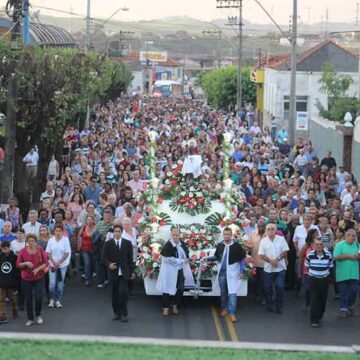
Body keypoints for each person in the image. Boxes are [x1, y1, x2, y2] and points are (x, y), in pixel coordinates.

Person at [209, 227, 246, 322]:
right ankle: (224, 308)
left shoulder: (236, 246)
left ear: (231, 235)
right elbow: (217, 256)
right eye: (225, 234)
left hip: (233, 273)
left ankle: (232, 313)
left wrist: (242, 271)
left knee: (232, 293)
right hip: (222, 273)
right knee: (223, 292)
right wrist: (209, 258)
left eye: (228, 234)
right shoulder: (220, 245)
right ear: (223, 234)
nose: (226, 236)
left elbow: (242, 259)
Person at [156, 227, 194, 316]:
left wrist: (187, 259)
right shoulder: (168, 245)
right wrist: (181, 261)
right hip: (169, 271)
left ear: (179, 235)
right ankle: (165, 308)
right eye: (174, 235)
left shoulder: (182, 244)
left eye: (177, 235)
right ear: (171, 235)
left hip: (179, 269)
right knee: (166, 288)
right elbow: (167, 259)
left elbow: (185, 254)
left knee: (180, 288)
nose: (175, 237)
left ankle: (175, 305)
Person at [102, 224, 133, 322]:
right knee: (114, 294)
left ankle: (124, 313)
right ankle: (116, 313)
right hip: (113, 273)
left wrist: (131, 272)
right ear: (113, 233)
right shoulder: (108, 244)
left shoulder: (127, 243)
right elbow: (103, 258)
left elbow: (130, 259)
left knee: (123, 293)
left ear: (122, 232)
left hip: (124, 272)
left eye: (119, 231)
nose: (117, 233)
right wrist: (109, 264)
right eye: (115, 231)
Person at [16, 234, 49, 326]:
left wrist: (38, 269)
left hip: (38, 277)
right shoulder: (22, 251)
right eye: (29, 241)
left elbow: (46, 263)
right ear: (27, 242)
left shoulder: (40, 250)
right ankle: (30, 318)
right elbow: (18, 264)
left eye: (33, 241)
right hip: (26, 278)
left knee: (39, 296)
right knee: (28, 298)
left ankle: (38, 315)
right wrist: (25, 263)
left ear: (36, 242)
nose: (31, 243)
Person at [258, 224, 289, 314]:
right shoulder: (263, 241)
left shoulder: (281, 239)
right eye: (269, 229)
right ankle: (269, 304)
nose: (271, 231)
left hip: (280, 268)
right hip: (268, 269)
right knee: (268, 288)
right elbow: (261, 255)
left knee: (279, 286)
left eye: (272, 229)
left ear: (276, 230)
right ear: (266, 231)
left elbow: (285, 251)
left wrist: (277, 259)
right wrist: (271, 261)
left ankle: (279, 305)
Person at [305, 238, 333, 328]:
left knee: (323, 299)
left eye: (321, 244)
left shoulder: (328, 255)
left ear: (323, 245)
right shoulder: (310, 255)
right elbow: (307, 266)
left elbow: (330, 266)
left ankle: (319, 316)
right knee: (314, 299)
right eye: (317, 244)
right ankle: (314, 320)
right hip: (313, 279)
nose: (319, 246)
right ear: (314, 245)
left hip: (324, 280)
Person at [333, 229, 360, 317]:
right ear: (347, 236)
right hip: (342, 273)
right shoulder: (340, 245)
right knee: (343, 291)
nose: (354, 238)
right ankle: (344, 309)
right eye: (353, 236)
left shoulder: (357, 244)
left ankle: (350, 306)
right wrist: (349, 256)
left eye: (355, 236)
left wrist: (357, 257)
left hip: (354, 273)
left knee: (354, 290)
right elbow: (336, 256)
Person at [46, 224, 71, 309]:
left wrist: (59, 263)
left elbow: (66, 253)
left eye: (59, 231)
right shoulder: (51, 240)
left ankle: (58, 300)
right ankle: (52, 299)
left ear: (62, 232)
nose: (58, 232)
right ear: (54, 231)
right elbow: (48, 253)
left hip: (62, 265)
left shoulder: (65, 240)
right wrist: (54, 262)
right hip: (52, 264)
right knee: (52, 285)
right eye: (56, 231)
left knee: (60, 284)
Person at [0, 241, 18, 323]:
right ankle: (2, 315)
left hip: (11, 282)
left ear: (9, 247)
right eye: (3, 248)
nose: (4, 250)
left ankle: (14, 310)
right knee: (1, 299)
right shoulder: (0, 256)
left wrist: (15, 283)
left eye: (6, 248)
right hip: (2, 282)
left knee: (13, 299)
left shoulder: (14, 257)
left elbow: (16, 270)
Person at [78, 215, 95, 287]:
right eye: (88, 220)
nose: (89, 221)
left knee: (92, 264)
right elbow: (79, 236)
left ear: (93, 221)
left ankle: (90, 274)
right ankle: (87, 279)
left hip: (93, 249)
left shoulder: (95, 228)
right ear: (86, 221)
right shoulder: (84, 228)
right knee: (87, 263)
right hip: (84, 249)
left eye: (91, 220)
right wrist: (78, 246)